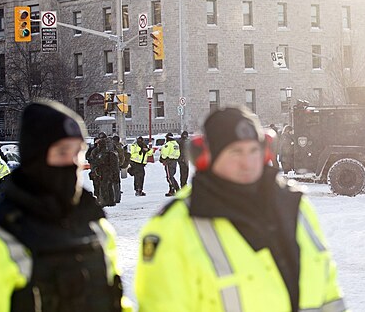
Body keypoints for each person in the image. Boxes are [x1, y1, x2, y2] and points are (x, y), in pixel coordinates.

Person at [135, 107, 347, 312]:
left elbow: (329, 296)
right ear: (206, 158)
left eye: (253, 150)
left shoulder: (295, 205)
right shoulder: (172, 228)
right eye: (235, 152)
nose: (247, 162)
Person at [0, 100, 131, 312]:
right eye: (62, 152)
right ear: (36, 158)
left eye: (78, 152)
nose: (73, 162)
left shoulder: (96, 228)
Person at [89, 132, 120, 206]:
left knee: (104, 186)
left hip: (103, 171)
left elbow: (94, 161)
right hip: (108, 171)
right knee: (109, 186)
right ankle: (110, 201)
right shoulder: (109, 149)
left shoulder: (99, 151)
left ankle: (105, 201)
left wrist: (95, 169)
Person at [159, 132, 180, 196]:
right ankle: (177, 189)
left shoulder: (168, 144)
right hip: (174, 161)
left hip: (169, 161)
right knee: (171, 176)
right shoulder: (176, 144)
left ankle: (172, 190)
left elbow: (165, 153)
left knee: (169, 177)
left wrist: (162, 158)